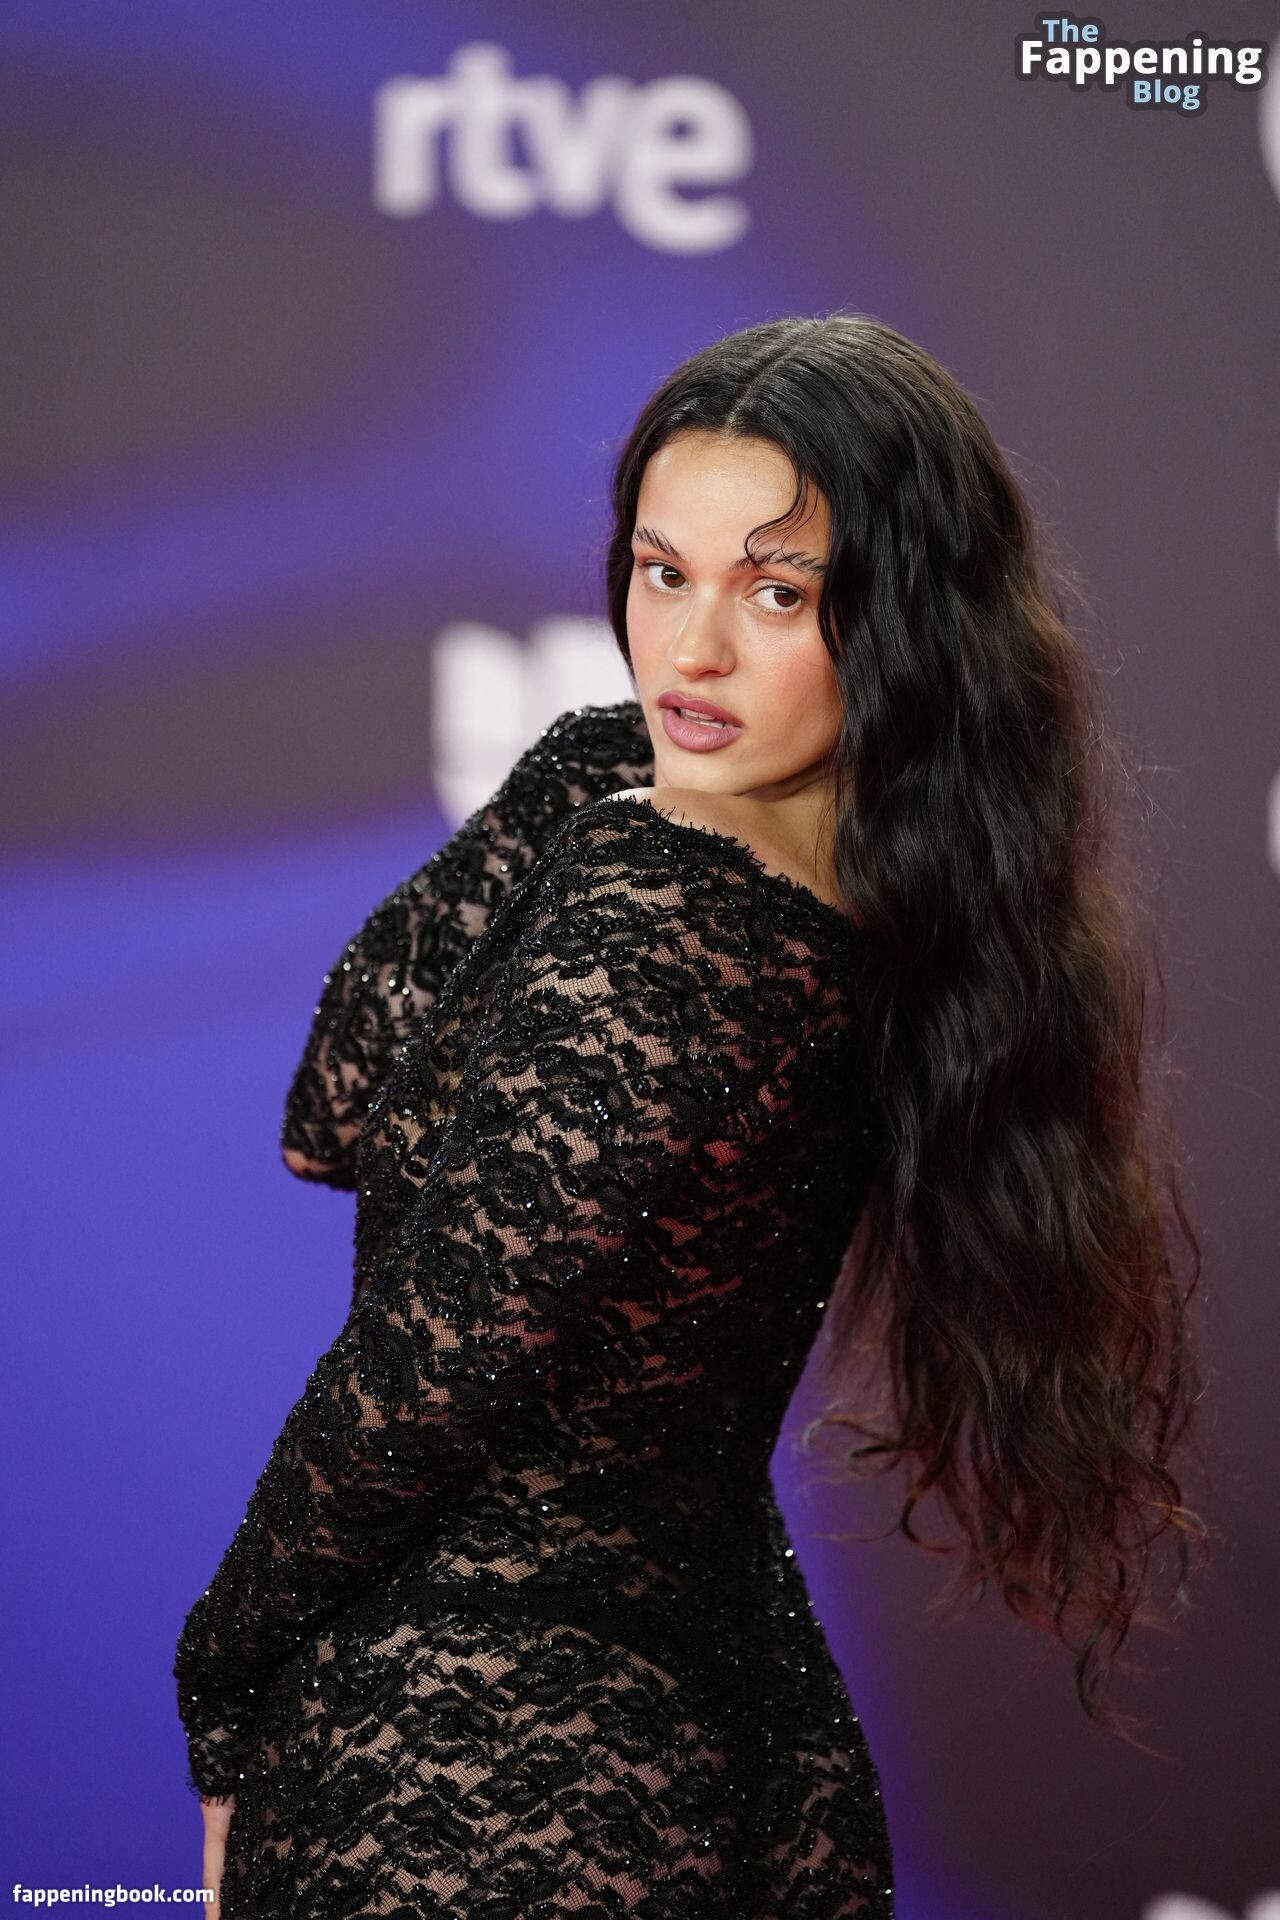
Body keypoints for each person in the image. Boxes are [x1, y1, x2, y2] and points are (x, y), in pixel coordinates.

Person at [175, 312, 1203, 1918]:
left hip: (479, 1757)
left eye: (776, 593)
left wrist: (221, 1671)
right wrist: (581, 764)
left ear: (899, 621)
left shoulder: (664, 901)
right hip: (731, 1731)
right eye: (663, 574)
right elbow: (333, 1106)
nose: (691, 650)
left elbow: (428, 1375)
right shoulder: (884, 902)